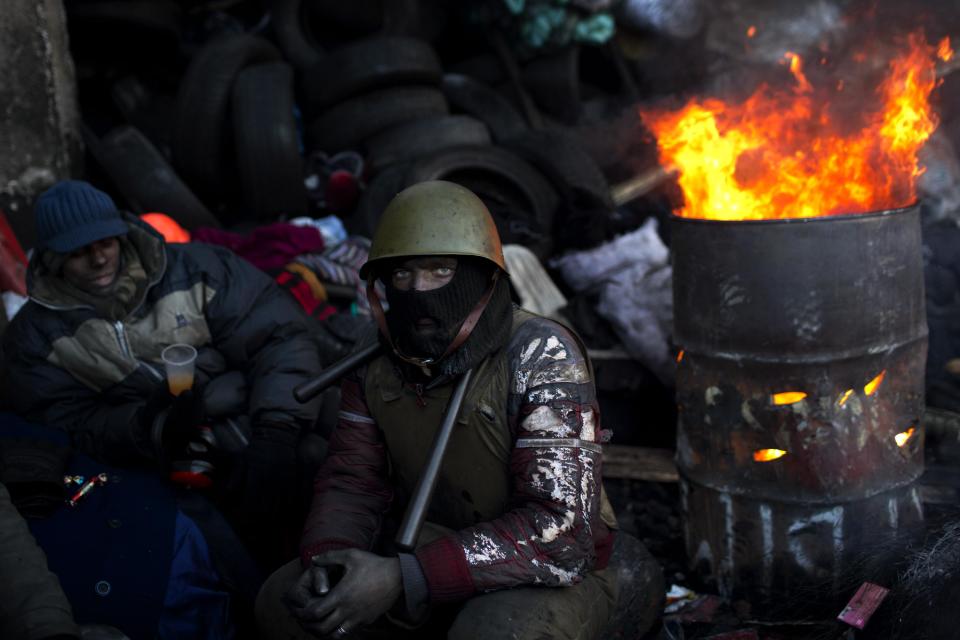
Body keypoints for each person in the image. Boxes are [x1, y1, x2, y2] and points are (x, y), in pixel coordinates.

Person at [256, 181, 619, 639]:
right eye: (402, 275)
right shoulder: (375, 357)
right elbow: (353, 480)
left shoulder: (541, 352)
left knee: (496, 633)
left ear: (480, 277)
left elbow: (561, 532)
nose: (418, 289)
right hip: (424, 546)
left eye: (439, 271)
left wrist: (406, 578)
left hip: (544, 572)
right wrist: (330, 559)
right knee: (286, 603)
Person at [1, 179, 324, 568]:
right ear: (53, 259)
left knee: (319, 462)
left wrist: (277, 432)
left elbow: (279, 337)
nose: (99, 258)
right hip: (158, 465)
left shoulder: (196, 269)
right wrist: (146, 426)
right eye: (79, 251)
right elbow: (67, 421)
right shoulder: (34, 339)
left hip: (256, 424)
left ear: (122, 235)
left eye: (105, 242)